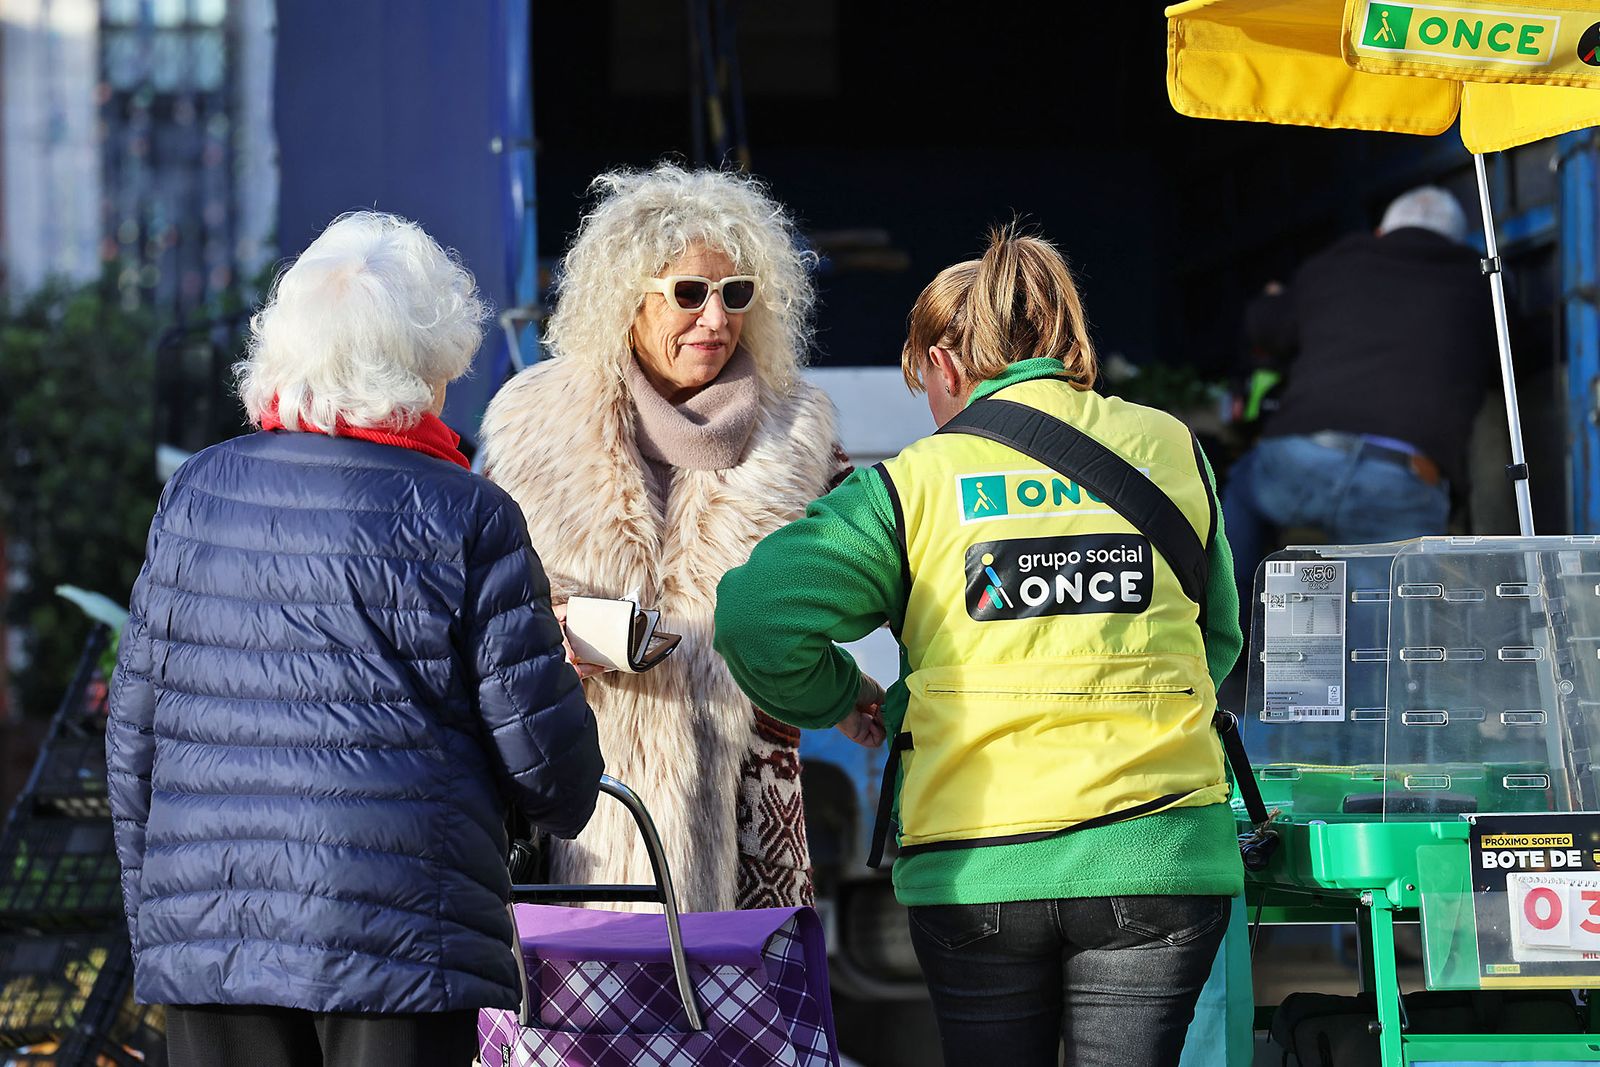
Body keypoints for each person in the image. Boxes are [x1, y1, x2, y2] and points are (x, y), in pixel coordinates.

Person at [714, 227, 1244, 1066]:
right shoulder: (1171, 446)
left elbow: (757, 614)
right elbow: (1217, 640)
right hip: (1155, 857)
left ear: (946, 365)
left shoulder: (915, 483)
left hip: (979, 868)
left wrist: (849, 700)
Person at [106, 211, 604, 1067]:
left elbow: (134, 740)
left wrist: (168, 911)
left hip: (214, 937)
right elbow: (549, 766)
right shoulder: (467, 512)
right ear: (428, 360)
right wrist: (561, 793)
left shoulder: (196, 494)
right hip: (404, 934)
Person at [478, 163, 851, 913]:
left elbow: (851, 596)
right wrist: (572, 630)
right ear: (627, 298)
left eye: (735, 293)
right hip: (572, 824)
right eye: (689, 293)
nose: (715, 319)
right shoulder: (531, 424)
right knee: (579, 1030)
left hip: (746, 830)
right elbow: (481, 612)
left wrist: (839, 688)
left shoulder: (800, 432)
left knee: (728, 1022)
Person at [1222, 185, 1498, 615]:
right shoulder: (1483, 285)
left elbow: (1265, 330)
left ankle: (1222, 631)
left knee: (1240, 490)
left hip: (1303, 459)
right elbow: (1518, 362)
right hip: (1402, 481)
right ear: (1456, 242)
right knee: (1386, 640)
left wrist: (1274, 299)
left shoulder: (1339, 262)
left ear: (1381, 232)